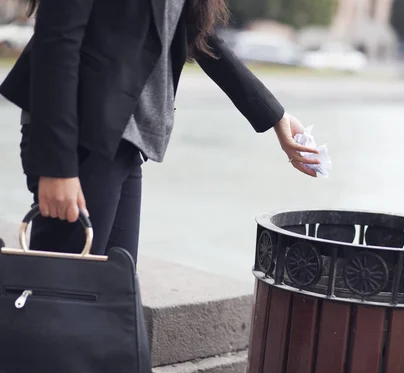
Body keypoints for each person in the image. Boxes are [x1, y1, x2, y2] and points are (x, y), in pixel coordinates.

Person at [0, 0, 320, 263]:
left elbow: (201, 38)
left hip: (125, 142)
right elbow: (57, 42)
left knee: (111, 295)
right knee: (59, 295)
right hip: (79, 136)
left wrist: (276, 117)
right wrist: (57, 167)